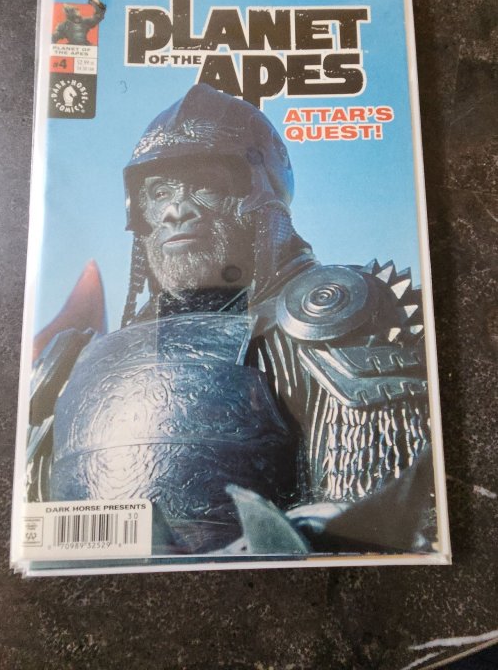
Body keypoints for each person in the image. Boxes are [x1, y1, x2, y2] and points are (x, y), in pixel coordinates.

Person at [28, 84, 434, 556]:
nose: (176, 210)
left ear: (257, 195)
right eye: (159, 192)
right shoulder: (72, 360)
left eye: (204, 185)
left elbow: (368, 521)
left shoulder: (324, 317)